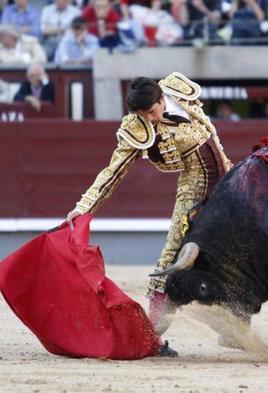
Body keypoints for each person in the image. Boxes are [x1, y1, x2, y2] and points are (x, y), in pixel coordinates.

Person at [65, 73, 232, 356]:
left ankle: (231, 328)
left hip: (228, 179)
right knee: (171, 260)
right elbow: (113, 172)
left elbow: (212, 138)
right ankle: (150, 337)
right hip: (194, 190)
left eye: (154, 112)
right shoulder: (138, 127)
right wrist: (84, 207)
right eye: (146, 116)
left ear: (162, 98)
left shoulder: (179, 90)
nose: (152, 120)